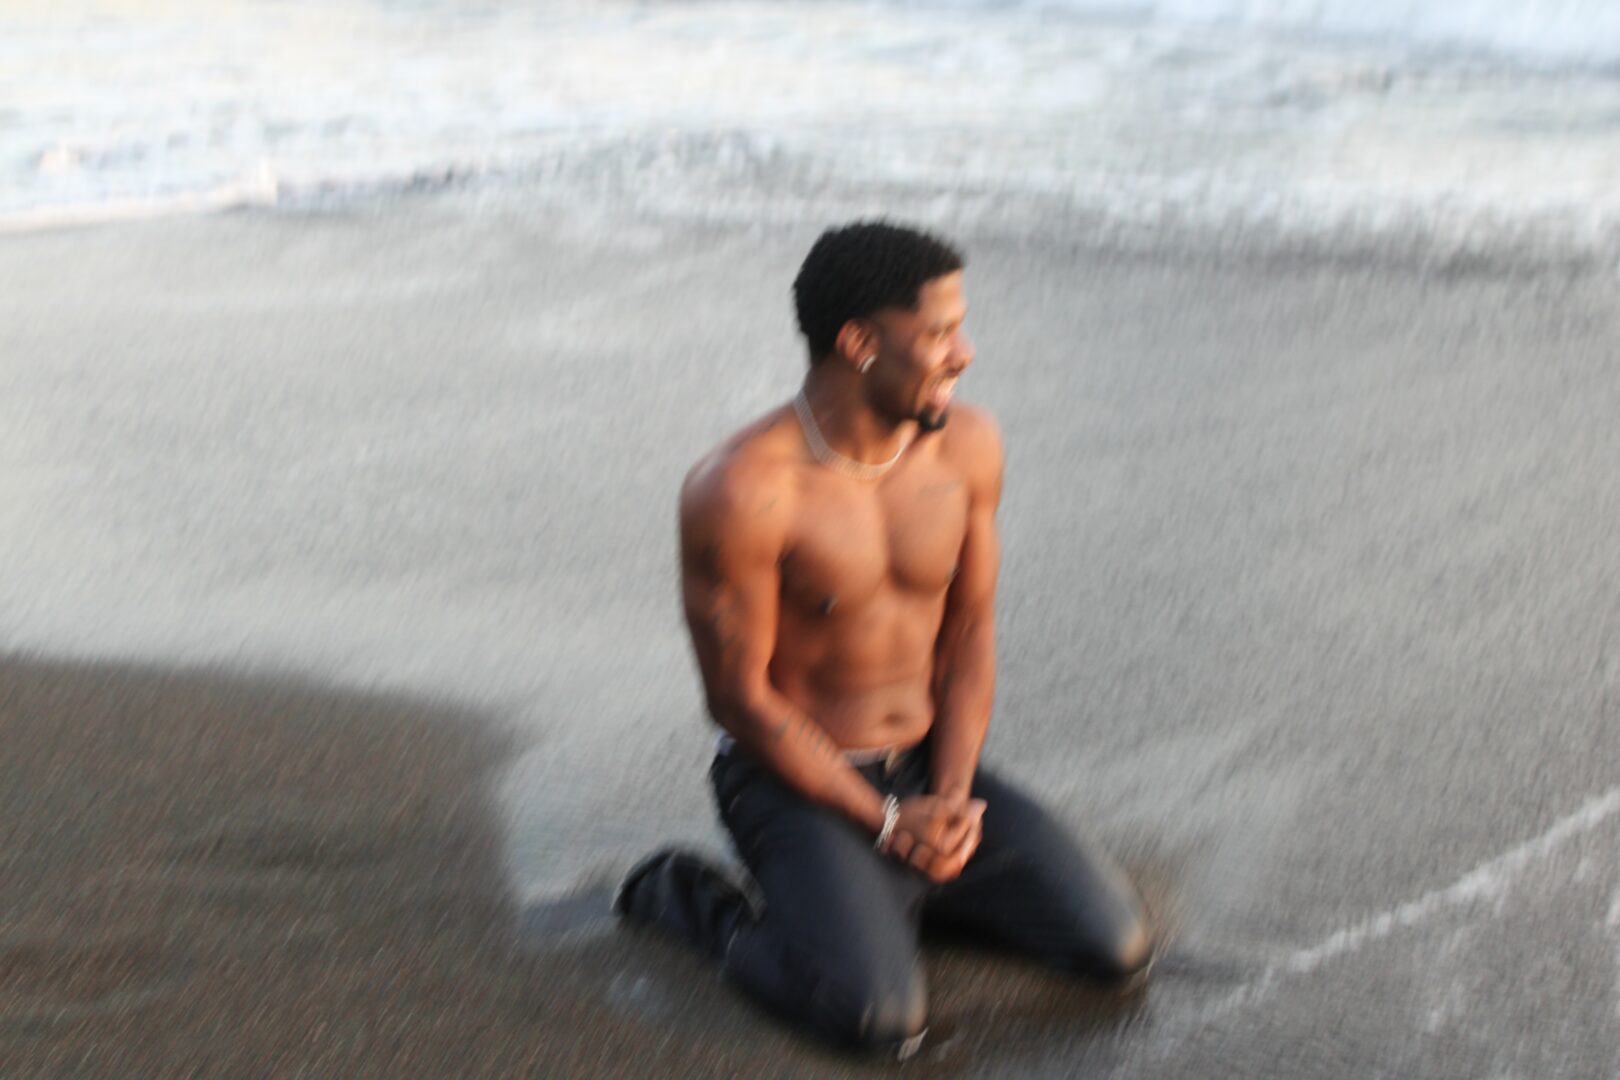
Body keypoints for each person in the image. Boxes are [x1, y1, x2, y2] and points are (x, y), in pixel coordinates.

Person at [614, 221, 1153, 1057]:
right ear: (860, 343)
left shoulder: (968, 447)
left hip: (927, 767)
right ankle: (687, 898)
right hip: (791, 779)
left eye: (961, 328)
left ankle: (890, 895)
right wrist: (885, 820)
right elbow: (738, 700)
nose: (965, 353)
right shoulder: (743, 490)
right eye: (938, 334)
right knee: (876, 1021)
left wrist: (951, 798)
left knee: (1113, 948)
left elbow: (968, 632)